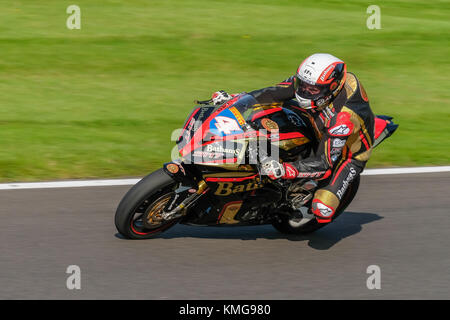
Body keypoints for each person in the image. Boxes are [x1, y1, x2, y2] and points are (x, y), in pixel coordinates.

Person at [211, 53, 375, 223]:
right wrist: (236, 100)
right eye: (302, 84)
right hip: (317, 119)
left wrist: (285, 169)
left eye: (312, 89)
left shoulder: (343, 119)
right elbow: (274, 93)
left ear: (332, 87)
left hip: (346, 154)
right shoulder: (316, 86)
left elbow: (324, 163)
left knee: (323, 209)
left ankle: (300, 195)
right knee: (264, 118)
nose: (304, 91)